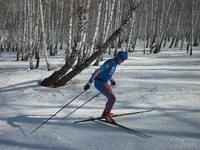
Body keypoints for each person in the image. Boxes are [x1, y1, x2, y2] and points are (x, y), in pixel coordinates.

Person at [83, 50, 127, 123]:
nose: (122, 61)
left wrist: (111, 79)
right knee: (112, 98)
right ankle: (107, 115)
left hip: (104, 82)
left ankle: (105, 113)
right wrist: (89, 83)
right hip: (99, 82)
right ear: (118, 57)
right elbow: (97, 71)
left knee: (111, 97)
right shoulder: (110, 63)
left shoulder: (115, 63)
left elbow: (108, 72)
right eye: (122, 59)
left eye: (123, 60)